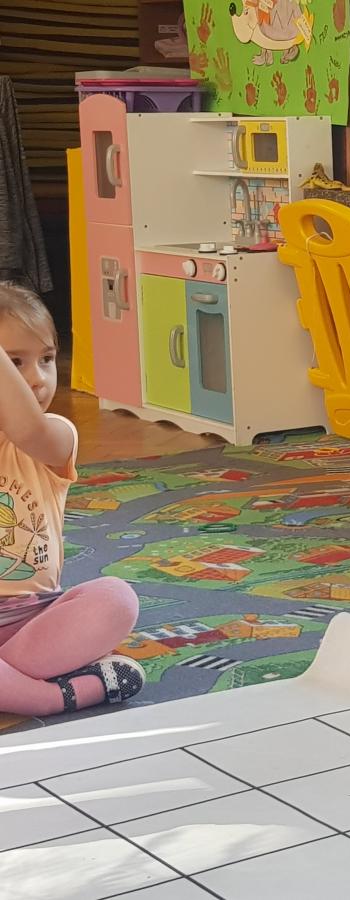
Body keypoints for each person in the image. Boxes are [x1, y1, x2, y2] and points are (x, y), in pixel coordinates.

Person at [0, 282, 144, 717]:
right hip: (35, 651)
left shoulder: (55, 435)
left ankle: (15, 682)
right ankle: (56, 694)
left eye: (46, 359)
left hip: (35, 619)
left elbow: (25, 426)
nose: (37, 378)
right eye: (14, 362)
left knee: (116, 598)